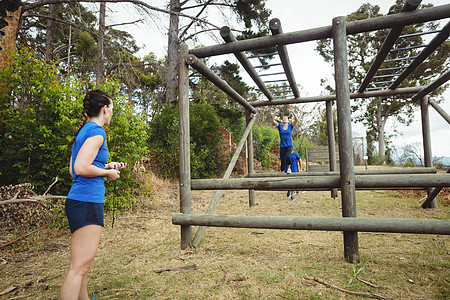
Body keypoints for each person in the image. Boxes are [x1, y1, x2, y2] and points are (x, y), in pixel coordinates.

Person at [61, 90, 127, 300]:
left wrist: (105, 166)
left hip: (78, 200)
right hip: (87, 201)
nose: (112, 114)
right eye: (112, 110)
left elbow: (74, 170)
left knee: (81, 267)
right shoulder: (98, 132)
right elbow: (81, 168)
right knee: (78, 269)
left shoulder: (83, 131)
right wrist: (107, 173)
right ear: (104, 109)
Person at [272, 106, 298, 173]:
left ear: (288, 120)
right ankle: (282, 172)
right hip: (282, 145)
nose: (284, 119)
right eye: (283, 118)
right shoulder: (280, 126)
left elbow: (296, 120)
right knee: (283, 160)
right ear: (282, 120)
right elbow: (272, 121)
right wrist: (275, 113)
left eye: (286, 118)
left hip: (289, 145)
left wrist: (292, 112)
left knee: (288, 156)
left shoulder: (290, 126)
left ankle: (289, 168)